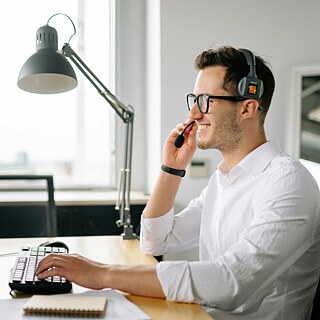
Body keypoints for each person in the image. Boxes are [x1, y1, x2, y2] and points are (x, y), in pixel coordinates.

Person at [37, 46, 320, 319]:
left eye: (206, 101)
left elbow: (229, 283)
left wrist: (102, 274)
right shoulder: (225, 180)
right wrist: (171, 169)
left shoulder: (288, 182)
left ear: (247, 108)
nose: (194, 114)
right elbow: (155, 241)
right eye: (194, 100)